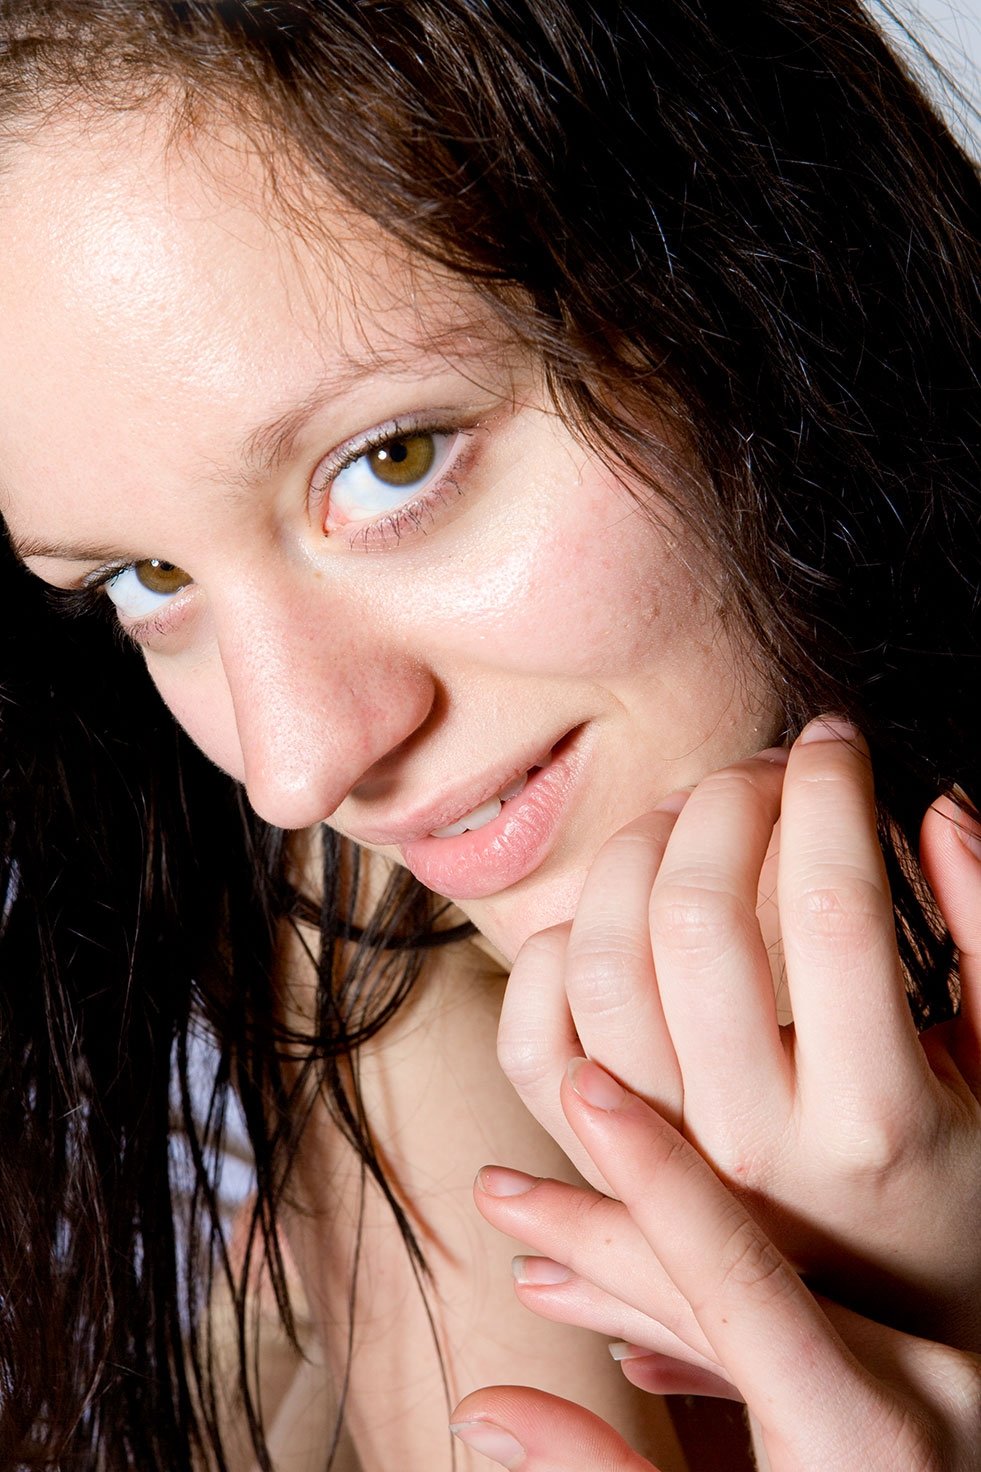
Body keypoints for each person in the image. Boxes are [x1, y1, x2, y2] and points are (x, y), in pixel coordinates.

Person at [0, 2, 977, 1469]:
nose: (298, 766)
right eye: (146, 580)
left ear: (758, 277)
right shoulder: (367, 963)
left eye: (390, 462)